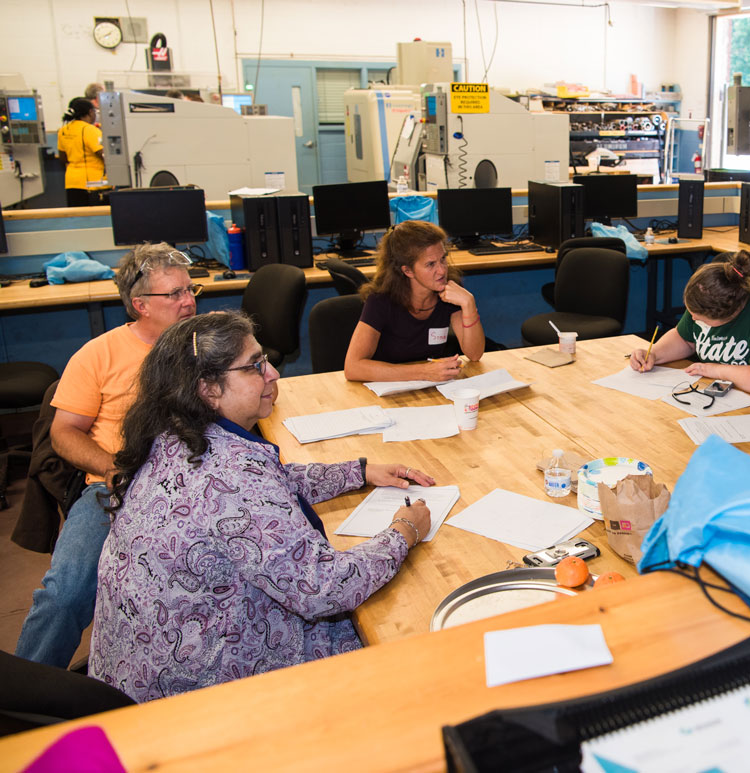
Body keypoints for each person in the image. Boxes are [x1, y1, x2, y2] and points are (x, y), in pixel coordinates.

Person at [89, 312, 433, 702]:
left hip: (141, 670)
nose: (273, 374)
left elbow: (268, 486)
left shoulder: (175, 437)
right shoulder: (232, 476)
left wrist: (359, 471)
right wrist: (404, 530)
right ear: (208, 389)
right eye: (255, 366)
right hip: (202, 695)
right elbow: (324, 588)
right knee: (406, 651)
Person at [15, 245, 200, 667]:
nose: (188, 301)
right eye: (173, 294)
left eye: (190, 290)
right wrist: (111, 469)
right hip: (115, 488)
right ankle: (19, 701)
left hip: (197, 487)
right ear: (140, 306)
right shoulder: (98, 354)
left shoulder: (207, 344)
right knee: (64, 594)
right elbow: (63, 432)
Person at [629, 250, 750, 410]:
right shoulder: (708, 297)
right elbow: (684, 338)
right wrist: (654, 354)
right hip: (725, 402)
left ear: (728, 315)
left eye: (698, 317)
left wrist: (712, 370)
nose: (693, 319)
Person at [344, 220, 485, 382]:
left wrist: (469, 304)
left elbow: (474, 354)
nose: (442, 270)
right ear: (408, 270)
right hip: (386, 390)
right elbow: (352, 367)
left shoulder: (448, 292)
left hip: (430, 388)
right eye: (431, 264)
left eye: (443, 259)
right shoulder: (381, 300)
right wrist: (423, 372)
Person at [57, 97, 109, 207]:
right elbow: (105, 155)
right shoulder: (90, 130)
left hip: (72, 183)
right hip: (93, 184)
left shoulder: (64, 130)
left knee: (78, 219)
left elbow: (63, 158)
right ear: (90, 112)